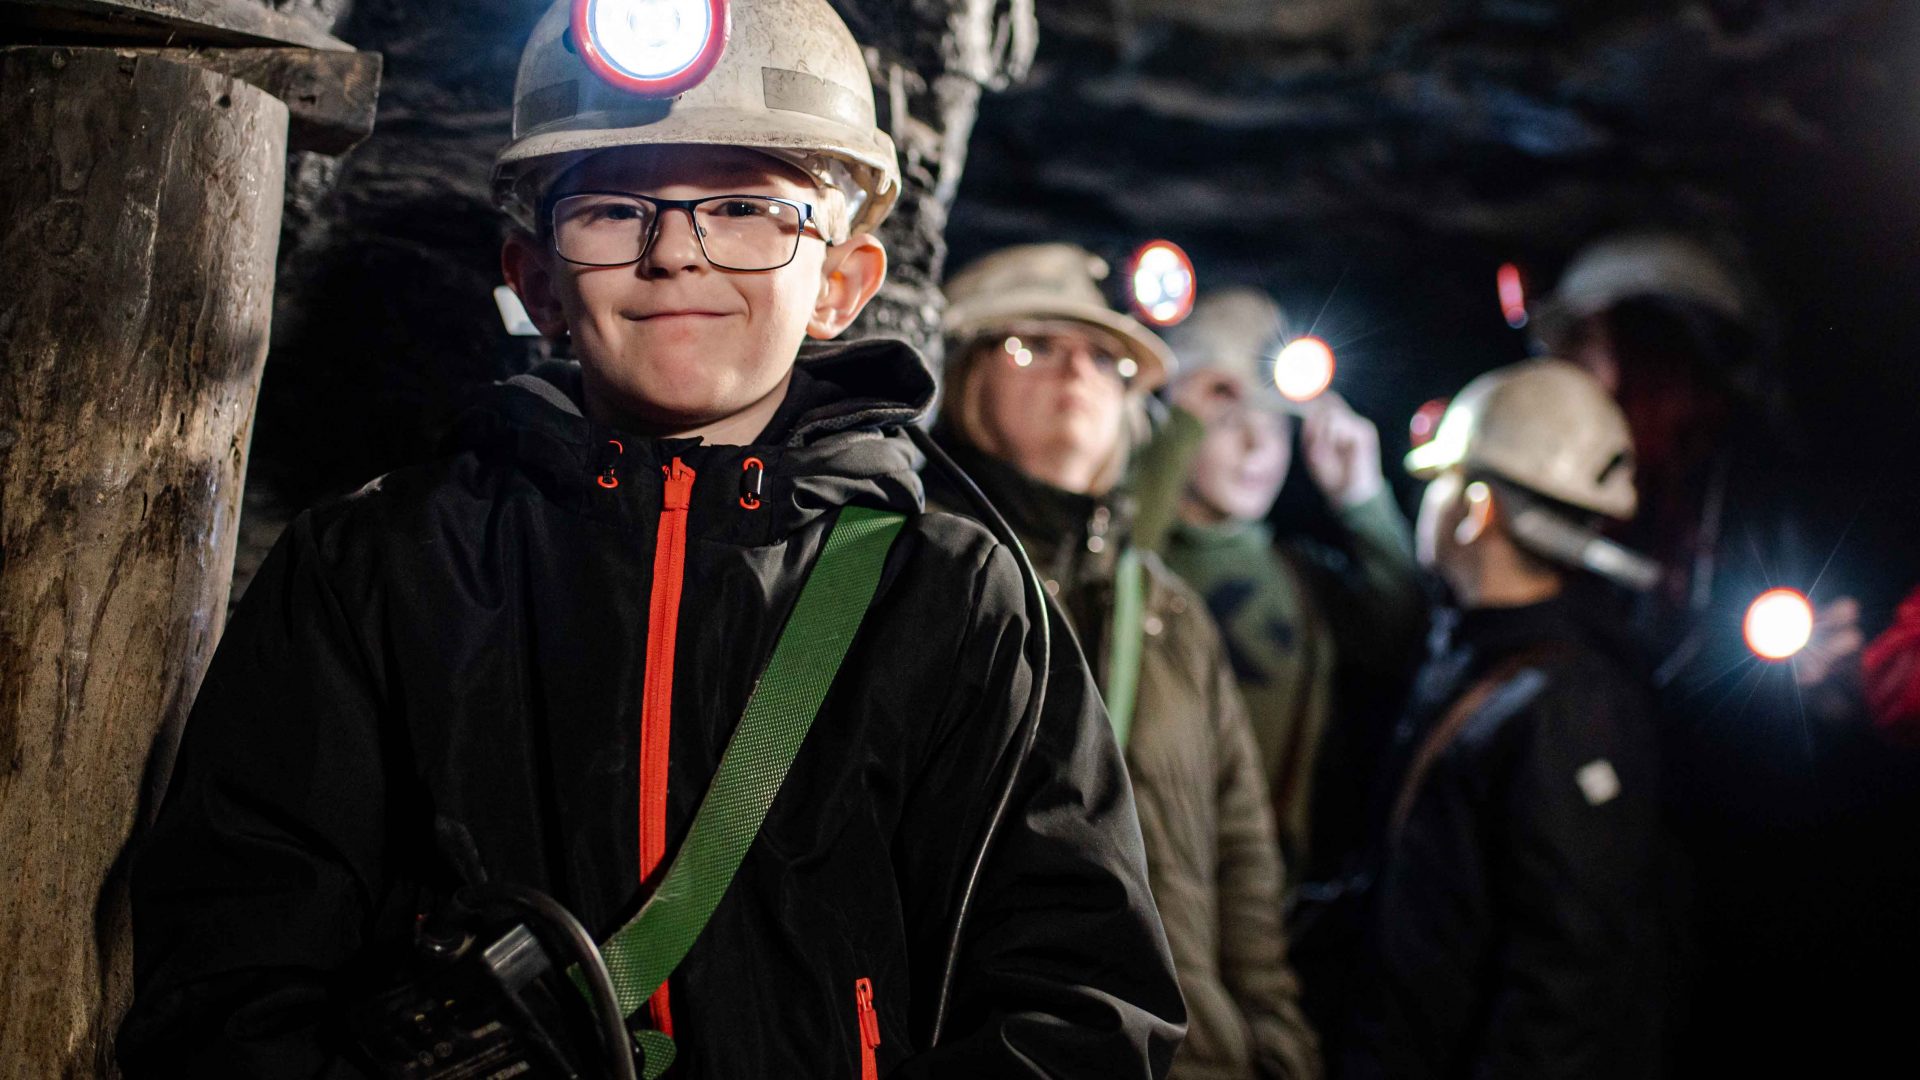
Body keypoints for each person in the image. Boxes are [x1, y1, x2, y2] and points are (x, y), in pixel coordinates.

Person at [115, 3, 1185, 1077]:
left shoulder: (955, 602)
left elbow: (1082, 1009)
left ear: (842, 285)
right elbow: (227, 975)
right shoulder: (376, 571)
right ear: (536, 283)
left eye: (745, 208)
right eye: (615, 209)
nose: (675, 252)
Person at [929, 244, 1321, 1080]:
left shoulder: (1172, 617)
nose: (1078, 372)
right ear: (962, 374)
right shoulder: (916, 586)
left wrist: (1277, 1045)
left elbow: (1244, 863)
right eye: (1034, 344)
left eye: (1105, 358)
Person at [1345, 359, 1673, 1080]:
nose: (1427, 499)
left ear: (1479, 507)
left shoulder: (1563, 706)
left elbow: (1562, 987)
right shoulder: (1475, 660)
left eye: (1440, 481)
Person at [1145, 287, 1425, 885]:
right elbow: (1112, 565)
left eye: (1274, 426)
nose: (1256, 447)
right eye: (1229, 423)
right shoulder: (1134, 554)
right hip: (1138, 870)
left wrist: (1363, 499)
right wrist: (1176, 433)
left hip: (1264, 887)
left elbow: (1399, 632)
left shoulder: (1300, 578)